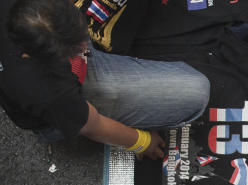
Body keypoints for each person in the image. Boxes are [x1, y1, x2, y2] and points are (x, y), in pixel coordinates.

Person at [0, 0, 210, 159]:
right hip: (67, 101)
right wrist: (142, 142)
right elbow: (94, 125)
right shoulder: (48, 92)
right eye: (77, 47)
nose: (84, 47)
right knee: (194, 93)